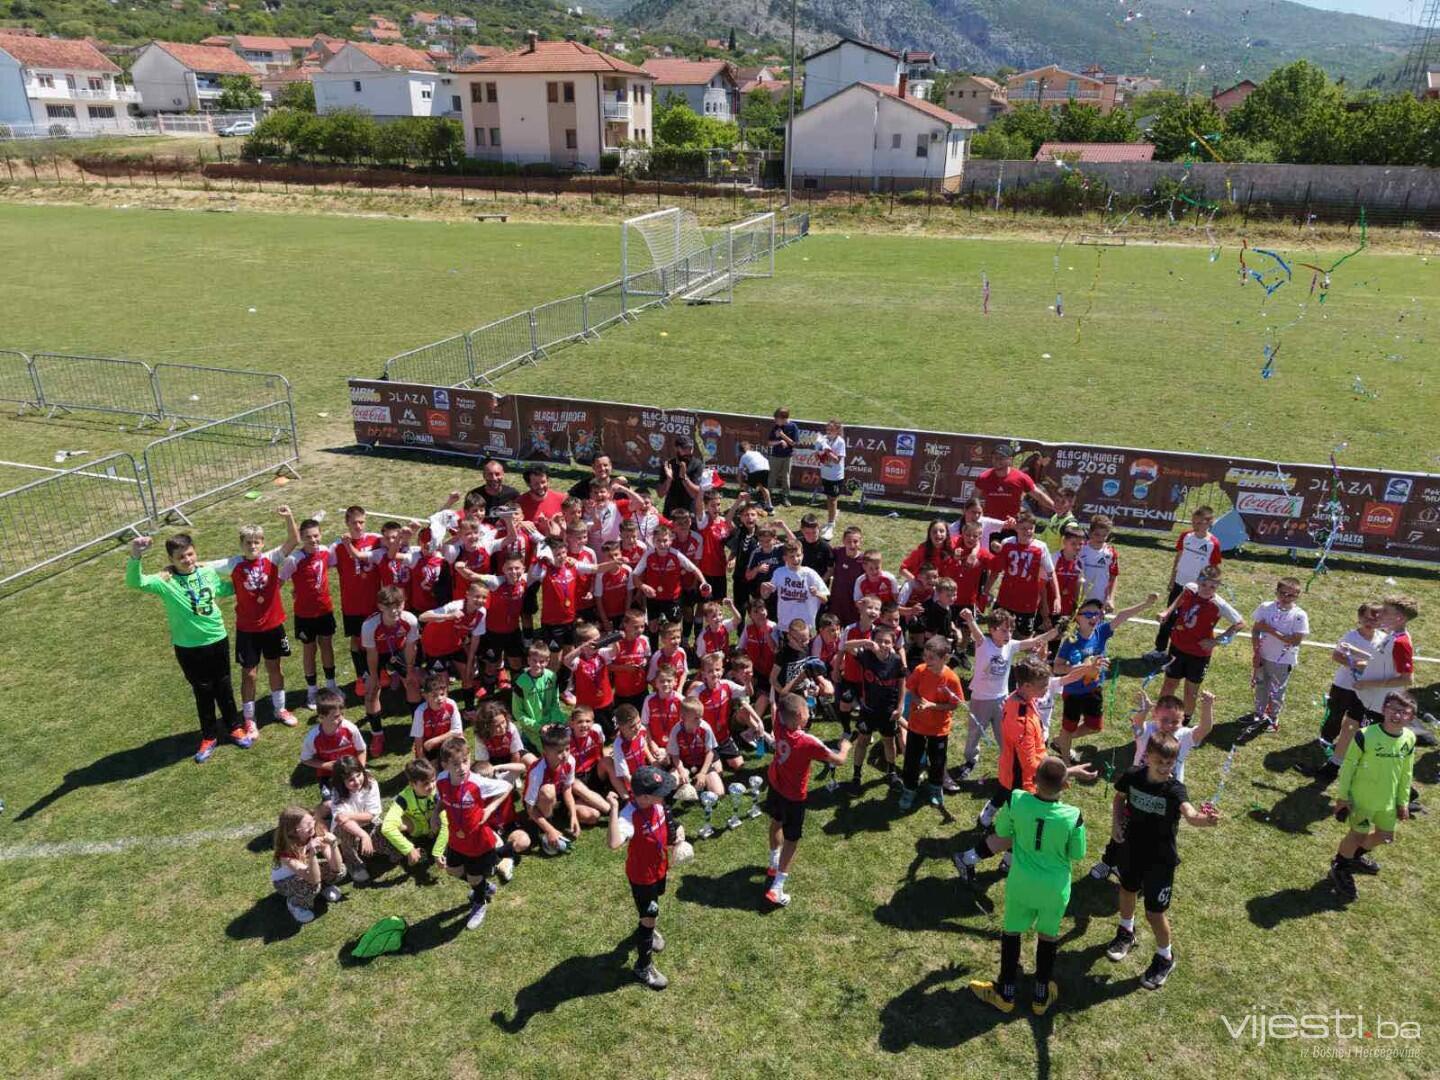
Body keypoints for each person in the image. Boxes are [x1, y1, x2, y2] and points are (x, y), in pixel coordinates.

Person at [968, 757, 1087, 1015]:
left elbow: (1002, 830)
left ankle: (1005, 993)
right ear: (1065, 786)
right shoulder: (1073, 817)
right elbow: (1077, 854)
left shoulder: (1016, 800)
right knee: (1048, 936)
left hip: (1021, 885)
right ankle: (1040, 997)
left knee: (1011, 933)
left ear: (1034, 780)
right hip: (1055, 890)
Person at [1103, 731, 1220, 991]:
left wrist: (1206, 820)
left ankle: (1165, 957)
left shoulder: (1175, 790)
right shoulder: (1133, 776)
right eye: (1160, 762)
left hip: (1160, 860)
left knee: (1154, 913)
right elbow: (1119, 797)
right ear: (1147, 757)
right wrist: (1116, 823)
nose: (1166, 768)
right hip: (1132, 849)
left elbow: (1190, 815)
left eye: (1170, 763)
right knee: (1127, 890)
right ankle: (1126, 932)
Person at [125, 534, 243, 763]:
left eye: (190, 554)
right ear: (171, 559)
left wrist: (250, 580)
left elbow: (224, 589)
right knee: (203, 690)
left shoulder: (207, 572)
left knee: (224, 685)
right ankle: (209, 736)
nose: (187, 560)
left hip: (217, 639)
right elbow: (134, 582)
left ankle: (234, 727)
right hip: (188, 647)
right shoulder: (165, 581)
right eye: (180, 557)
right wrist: (136, 554)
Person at [1090, 690, 1216, 881]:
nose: (1169, 725)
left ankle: (1146, 868)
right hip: (1138, 788)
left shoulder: (1184, 735)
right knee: (1124, 826)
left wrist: (1207, 706)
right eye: (1165, 720)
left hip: (1166, 794)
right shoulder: (1148, 729)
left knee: (1159, 833)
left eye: (1175, 721)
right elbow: (1137, 725)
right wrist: (1144, 710)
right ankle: (1109, 861)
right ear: (1155, 715)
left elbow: (1205, 728)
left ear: (1183, 719)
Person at [208, 508, 301, 729]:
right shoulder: (233, 563)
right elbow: (204, 565)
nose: (252, 546)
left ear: (262, 543)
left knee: (275, 667)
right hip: (247, 630)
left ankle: (280, 708)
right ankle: (249, 718)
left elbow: (294, 540)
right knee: (249, 674)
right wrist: (174, 569)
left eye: (256, 542)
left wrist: (288, 517)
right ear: (241, 544)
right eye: (248, 542)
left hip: (273, 626)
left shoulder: (272, 558)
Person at [1327, 691, 1419, 901]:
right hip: (1362, 799)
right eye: (1393, 709)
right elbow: (1348, 767)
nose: (1397, 715)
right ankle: (1340, 867)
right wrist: (1343, 797)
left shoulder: (1410, 738)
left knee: (1385, 836)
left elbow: (1406, 772)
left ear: (1411, 717)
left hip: (1388, 801)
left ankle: (1352, 857)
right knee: (1357, 835)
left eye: (1404, 712)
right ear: (1384, 709)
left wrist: (1403, 801)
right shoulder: (1365, 735)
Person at [763, 693, 852, 907]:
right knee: (791, 840)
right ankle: (777, 887)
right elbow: (839, 760)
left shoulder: (778, 725)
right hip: (794, 797)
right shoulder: (807, 742)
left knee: (776, 821)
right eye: (807, 712)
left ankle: (773, 863)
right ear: (799, 716)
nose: (810, 714)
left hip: (775, 785)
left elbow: (777, 702)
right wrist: (845, 747)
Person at [607, 765, 689, 990]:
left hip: (660, 867)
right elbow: (613, 843)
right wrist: (614, 809)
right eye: (659, 792)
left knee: (654, 905)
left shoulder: (657, 804)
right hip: (642, 877)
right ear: (643, 797)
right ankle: (643, 967)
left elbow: (667, 822)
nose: (665, 795)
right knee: (649, 915)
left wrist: (678, 830)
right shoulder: (629, 816)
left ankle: (648, 930)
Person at [1051, 593, 1158, 763]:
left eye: (1097, 613)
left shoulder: (1100, 632)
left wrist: (1145, 604)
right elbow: (1057, 667)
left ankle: (1061, 740)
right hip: (1073, 693)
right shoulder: (1071, 641)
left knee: (1094, 727)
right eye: (1088, 614)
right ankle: (1066, 761)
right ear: (1077, 617)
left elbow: (1121, 616)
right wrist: (1081, 667)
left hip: (1094, 689)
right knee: (1068, 728)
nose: (1094, 617)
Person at [435, 735, 524, 931]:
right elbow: (442, 799)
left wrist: (490, 808)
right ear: (444, 765)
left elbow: (507, 787)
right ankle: (483, 886)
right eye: (456, 764)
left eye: (465, 761)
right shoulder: (441, 780)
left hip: (478, 842)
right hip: (456, 840)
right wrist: (435, 814)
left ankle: (479, 902)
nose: (462, 768)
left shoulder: (477, 782)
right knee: (452, 870)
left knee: (474, 877)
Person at [958, 609, 1058, 781]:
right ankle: (970, 760)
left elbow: (1035, 641)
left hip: (1002, 700)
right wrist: (969, 618)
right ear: (992, 630)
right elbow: (974, 629)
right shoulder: (983, 643)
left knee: (1004, 734)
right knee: (975, 732)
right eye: (1004, 630)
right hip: (980, 699)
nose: (1008, 634)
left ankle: (1009, 762)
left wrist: (1057, 630)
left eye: (1011, 630)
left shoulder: (1010, 646)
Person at [1297, 602, 1383, 781]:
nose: (1370, 622)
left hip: (1365, 689)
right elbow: (1337, 655)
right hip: (1344, 685)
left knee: (1356, 717)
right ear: (1359, 618)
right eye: (1367, 618)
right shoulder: (1351, 636)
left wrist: (1368, 667)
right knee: (1335, 713)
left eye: (1375, 620)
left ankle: (1346, 744)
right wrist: (1356, 664)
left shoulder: (1383, 639)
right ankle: (1327, 738)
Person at [1156, 565, 1244, 722]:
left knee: (1190, 692)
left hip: (1199, 654)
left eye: (1212, 587)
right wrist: (1168, 611)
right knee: (1169, 684)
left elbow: (1240, 623)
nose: (1207, 589)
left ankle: (1184, 721)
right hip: (1177, 646)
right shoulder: (1190, 588)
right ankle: (1160, 716)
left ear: (1218, 586)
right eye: (1204, 585)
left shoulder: (1219, 604)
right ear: (1198, 581)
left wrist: (1215, 641)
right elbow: (1181, 597)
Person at [898, 636, 966, 809]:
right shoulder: (920, 670)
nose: (926, 660)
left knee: (937, 762)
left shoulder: (951, 679)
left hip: (938, 730)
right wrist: (918, 701)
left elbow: (954, 705)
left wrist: (932, 706)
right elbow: (911, 690)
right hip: (917, 726)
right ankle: (909, 789)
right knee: (911, 760)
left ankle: (935, 789)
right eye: (925, 656)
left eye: (931, 658)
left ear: (945, 658)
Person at [280, 516, 339, 709]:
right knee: (309, 650)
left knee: (327, 646)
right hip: (305, 615)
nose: (313, 540)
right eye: (308, 537)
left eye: (316, 536)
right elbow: (280, 581)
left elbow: (331, 566)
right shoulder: (294, 559)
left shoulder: (326, 552)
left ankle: (331, 685)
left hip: (325, 610)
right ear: (302, 539)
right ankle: (312, 691)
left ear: (320, 534)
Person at [840, 623, 905, 792]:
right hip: (868, 709)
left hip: (888, 711)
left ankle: (891, 772)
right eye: (879, 641)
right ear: (873, 641)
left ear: (893, 644)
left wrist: (900, 706)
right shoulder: (866, 656)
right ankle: (856, 775)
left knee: (889, 742)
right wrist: (865, 642)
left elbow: (901, 682)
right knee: (862, 741)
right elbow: (846, 646)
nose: (883, 645)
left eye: (887, 642)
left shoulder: (896, 660)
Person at [359, 585, 421, 757]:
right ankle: (377, 734)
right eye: (389, 606)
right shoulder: (369, 625)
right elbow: (371, 653)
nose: (394, 610)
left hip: (398, 650)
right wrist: (374, 677)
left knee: (413, 684)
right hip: (377, 654)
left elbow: (411, 647)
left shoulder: (410, 620)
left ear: (404, 603)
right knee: (371, 691)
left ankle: (418, 730)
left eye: (398, 605)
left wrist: (409, 671)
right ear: (380, 606)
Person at [524, 723, 604, 853]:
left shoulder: (570, 761)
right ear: (545, 752)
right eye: (559, 752)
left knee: (593, 816)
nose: (565, 754)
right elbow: (530, 808)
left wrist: (574, 815)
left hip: (557, 799)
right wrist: (550, 830)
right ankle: (546, 828)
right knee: (548, 791)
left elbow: (567, 789)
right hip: (538, 805)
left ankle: (560, 818)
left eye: (567, 749)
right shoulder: (537, 771)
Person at [1152, 506, 1221, 654]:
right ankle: (1159, 649)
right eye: (1193, 522)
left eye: (1199, 523)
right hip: (1179, 583)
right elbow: (1178, 557)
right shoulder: (1186, 536)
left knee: (1186, 620)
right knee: (1168, 616)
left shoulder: (1213, 543)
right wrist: (1172, 579)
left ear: (1209, 522)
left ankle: (1176, 651)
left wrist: (1207, 589)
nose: (1195, 526)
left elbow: (1213, 570)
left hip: (1196, 590)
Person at [330, 506, 382, 696]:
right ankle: (361, 676)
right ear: (347, 523)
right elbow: (321, 563)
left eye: (361, 522)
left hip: (374, 600)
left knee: (377, 636)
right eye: (354, 523)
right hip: (352, 602)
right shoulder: (337, 546)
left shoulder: (375, 540)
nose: (358, 526)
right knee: (356, 639)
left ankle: (379, 671)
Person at [1249, 577, 1310, 729]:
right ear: (1276, 592)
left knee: (1277, 690)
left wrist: (1270, 630)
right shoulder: (1265, 607)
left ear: (1298, 596)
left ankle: (1273, 717)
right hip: (1263, 655)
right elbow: (1256, 630)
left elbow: (1295, 641)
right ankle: (1259, 713)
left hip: (1282, 661)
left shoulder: (1299, 615)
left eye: (1291, 595)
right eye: (1283, 593)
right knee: (1261, 685)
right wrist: (1256, 652)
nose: (1286, 598)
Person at [986, 512, 1058, 639]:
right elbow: (997, 570)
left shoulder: (1040, 547)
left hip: (1027, 601)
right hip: (1006, 597)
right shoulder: (1007, 543)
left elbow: (1051, 573)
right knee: (995, 630)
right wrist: (986, 590)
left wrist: (1057, 597)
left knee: (1024, 636)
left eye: (1031, 528)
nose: (1028, 531)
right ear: (1017, 528)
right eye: (1024, 528)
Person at [270, 806, 344, 925]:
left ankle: (324, 887)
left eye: (312, 820)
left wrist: (334, 844)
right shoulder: (286, 851)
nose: (313, 824)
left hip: (307, 870)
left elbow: (337, 867)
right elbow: (314, 879)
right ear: (293, 831)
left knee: (340, 871)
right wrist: (312, 853)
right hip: (284, 881)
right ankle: (295, 903)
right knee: (312, 886)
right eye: (308, 824)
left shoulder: (315, 831)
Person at [377, 757, 449, 873]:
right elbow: (387, 827)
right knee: (391, 824)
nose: (431, 786)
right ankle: (411, 848)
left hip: (435, 826)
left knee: (447, 816)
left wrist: (437, 851)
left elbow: (446, 823)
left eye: (433, 780)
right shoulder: (404, 798)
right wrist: (408, 849)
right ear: (412, 784)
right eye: (425, 784)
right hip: (417, 828)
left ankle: (436, 846)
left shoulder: (437, 792)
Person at [298, 690, 367, 793]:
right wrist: (326, 765)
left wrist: (360, 769)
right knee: (329, 801)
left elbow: (361, 749)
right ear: (321, 717)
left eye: (342, 714)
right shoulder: (313, 737)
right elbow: (305, 759)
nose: (341, 719)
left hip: (352, 770)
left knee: (361, 794)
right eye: (336, 716)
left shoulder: (350, 728)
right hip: (327, 773)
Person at [330, 755, 382, 883]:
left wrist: (349, 815)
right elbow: (341, 820)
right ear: (342, 782)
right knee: (346, 831)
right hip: (346, 827)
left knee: (388, 845)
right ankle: (353, 863)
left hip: (368, 821)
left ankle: (370, 845)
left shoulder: (370, 782)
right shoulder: (337, 792)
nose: (357, 781)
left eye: (358, 775)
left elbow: (371, 814)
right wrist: (363, 835)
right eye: (351, 780)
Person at [975, 443, 1054, 523]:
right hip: (990, 524)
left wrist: (1056, 508)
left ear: (1010, 460)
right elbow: (974, 499)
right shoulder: (984, 477)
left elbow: (1039, 495)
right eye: (995, 457)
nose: (997, 460)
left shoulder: (1021, 477)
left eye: (1001, 458)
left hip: (1013, 524)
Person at [762, 541, 829, 631]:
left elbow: (825, 600)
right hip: (785, 624)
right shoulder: (779, 573)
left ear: (803, 555)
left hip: (805, 626)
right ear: (785, 558)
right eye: (791, 556)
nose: (796, 559)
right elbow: (766, 596)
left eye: (798, 555)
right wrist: (763, 588)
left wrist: (817, 593)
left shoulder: (810, 574)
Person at [511, 643, 566, 750]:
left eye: (541, 661)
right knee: (551, 751)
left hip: (552, 721)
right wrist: (538, 727)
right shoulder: (521, 683)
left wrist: (554, 722)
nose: (537, 665)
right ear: (528, 660)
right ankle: (526, 741)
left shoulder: (551, 676)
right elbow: (518, 713)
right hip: (533, 727)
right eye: (534, 660)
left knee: (570, 738)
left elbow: (555, 702)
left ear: (547, 661)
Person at [410, 672, 463, 761]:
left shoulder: (451, 705)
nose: (439, 698)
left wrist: (435, 741)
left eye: (442, 694)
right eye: (434, 695)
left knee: (462, 740)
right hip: (428, 748)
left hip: (447, 744)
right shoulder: (420, 712)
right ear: (425, 696)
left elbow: (458, 731)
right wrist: (422, 760)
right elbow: (418, 740)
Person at [1077, 514, 1120, 611]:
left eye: (1104, 535)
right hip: (1079, 598)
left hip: (1100, 600)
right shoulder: (1080, 549)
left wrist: (1110, 599)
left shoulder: (1111, 552)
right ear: (1090, 532)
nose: (1100, 538)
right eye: (1097, 534)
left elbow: (1113, 577)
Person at [656, 434, 706, 518]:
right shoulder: (668, 465)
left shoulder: (697, 465)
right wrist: (669, 479)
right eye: (685, 448)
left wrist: (684, 478)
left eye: (691, 448)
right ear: (676, 448)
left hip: (689, 513)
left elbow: (696, 494)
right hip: (671, 511)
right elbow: (660, 494)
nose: (688, 451)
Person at [812, 419, 846, 539]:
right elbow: (817, 457)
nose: (828, 431)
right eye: (827, 429)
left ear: (837, 430)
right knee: (829, 498)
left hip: (835, 476)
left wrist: (827, 450)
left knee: (832, 500)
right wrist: (818, 450)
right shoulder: (824, 439)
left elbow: (837, 460)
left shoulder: (840, 442)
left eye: (831, 429)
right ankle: (831, 520)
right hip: (825, 474)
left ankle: (831, 525)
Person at [828, 525, 866, 627]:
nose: (852, 544)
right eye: (849, 541)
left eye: (855, 541)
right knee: (834, 628)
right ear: (843, 541)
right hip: (836, 601)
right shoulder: (838, 552)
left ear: (861, 541)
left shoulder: (864, 560)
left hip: (852, 605)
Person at [766, 407, 800, 506]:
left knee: (786, 477)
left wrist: (782, 435)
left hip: (787, 457)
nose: (775, 421)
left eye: (777, 419)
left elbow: (794, 443)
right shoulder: (776, 427)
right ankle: (767, 496)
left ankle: (785, 496)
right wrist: (779, 441)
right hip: (775, 457)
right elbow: (769, 442)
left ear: (784, 418)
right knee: (772, 476)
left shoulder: (793, 427)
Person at [737, 442, 773, 512]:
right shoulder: (757, 453)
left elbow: (739, 473)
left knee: (746, 486)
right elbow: (763, 461)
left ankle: (747, 505)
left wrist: (741, 484)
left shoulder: (743, 457)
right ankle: (770, 506)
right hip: (766, 468)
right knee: (763, 487)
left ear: (741, 451)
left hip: (756, 470)